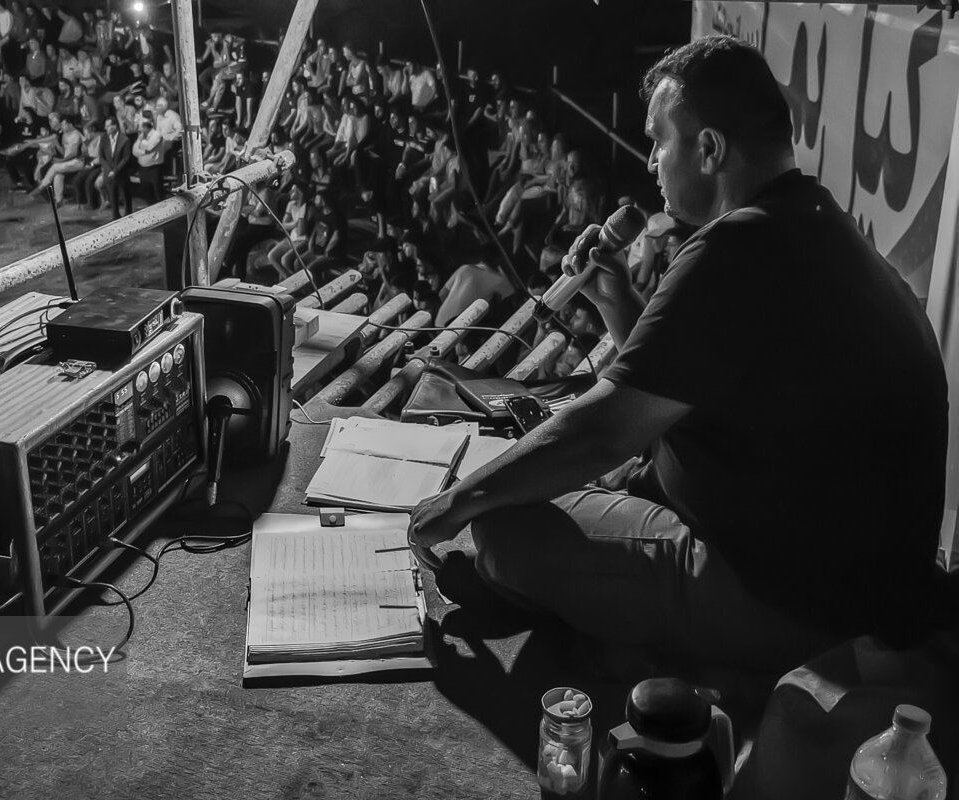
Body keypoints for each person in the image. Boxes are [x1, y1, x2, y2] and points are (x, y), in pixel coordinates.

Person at [408, 35, 952, 674]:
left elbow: (602, 434)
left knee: (502, 527)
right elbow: (688, 380)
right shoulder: (816, 230)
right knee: (563, 489)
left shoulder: (732, 249)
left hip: (786, 604)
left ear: (710, 149)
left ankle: (632, 632)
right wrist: (616, 299)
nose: (650, 164)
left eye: (659, 142)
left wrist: (459, 502)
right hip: (862, 589)